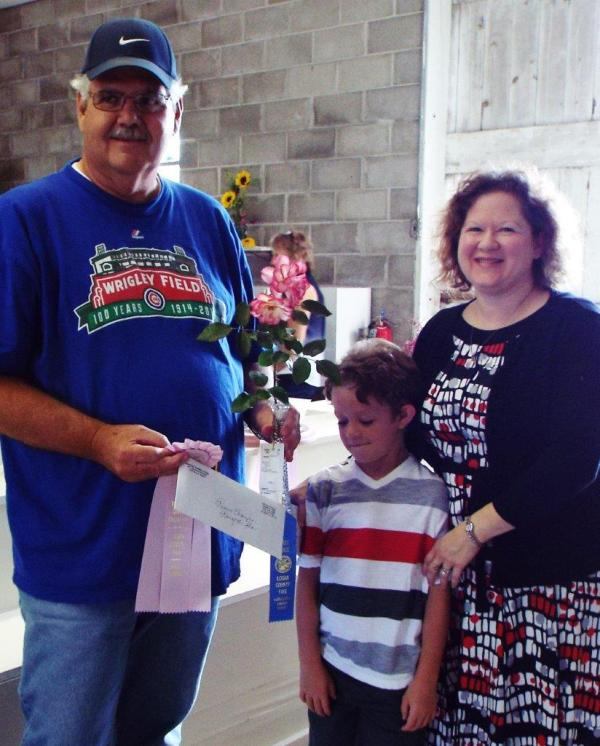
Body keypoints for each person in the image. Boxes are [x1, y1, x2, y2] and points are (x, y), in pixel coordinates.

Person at [0, 17, 299, 746]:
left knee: (157, 730)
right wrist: (98, 441)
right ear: (80, 106)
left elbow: (245, 352)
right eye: (111, 96)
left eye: (150, 99)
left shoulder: (208, 221)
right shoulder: (24, 220)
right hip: (85, 551)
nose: (129, 115)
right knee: (69, 736)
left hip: (197, 538)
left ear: (177, 111)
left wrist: (263, 408)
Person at [408, 169, 600, 744]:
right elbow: (409, 432)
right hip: (459, 582)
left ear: (539, 241)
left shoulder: (577, 328)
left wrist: (474, 531)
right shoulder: (442, 332)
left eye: (507, 229)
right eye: (474, 229)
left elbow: (577, 458)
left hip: (549, 583)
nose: (486, 243)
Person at [296, 338, 450, 745]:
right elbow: (306, 582)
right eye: (342, 421)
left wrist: (426, 680)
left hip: (398, 684)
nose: (351, 434)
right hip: (332, 674)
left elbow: (438, 597)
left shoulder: (433, 496)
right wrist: (309, 664)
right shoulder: (324, 490)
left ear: (403, 416)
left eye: (365, 421)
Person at [270, 229, 326, 399]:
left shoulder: (302, 290)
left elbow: (293, 348)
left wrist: (263, 374)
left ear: (296, 257)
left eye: (277, 255)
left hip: (296, 382)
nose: (272, 261)